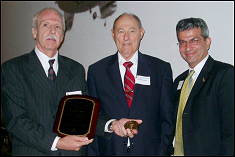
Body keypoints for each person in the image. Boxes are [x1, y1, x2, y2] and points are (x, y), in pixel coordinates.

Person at [1, 7, 94, 156]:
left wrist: (113, 124)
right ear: (34, 32)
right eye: (45, 25)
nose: (52, 30)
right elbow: (16, 121)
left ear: (62, 36)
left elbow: (87, 113)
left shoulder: (76, 69)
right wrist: (56, 142)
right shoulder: (13, 69)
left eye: (57, 27)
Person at [87, 12, 174, 156]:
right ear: (113, 34)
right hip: (110, 151)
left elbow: (167, 120)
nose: (126, 37)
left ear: (141, 33)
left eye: (132, 31)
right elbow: (92, 117)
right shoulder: (97, 71)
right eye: (120, 31)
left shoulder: (160, 69)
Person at [167, 17, 234, 156]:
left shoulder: (225, 74)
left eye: (194, 40)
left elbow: (230, 131)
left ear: (207, 42)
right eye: (182, 42)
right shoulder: (179, 81)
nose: (188, 47)